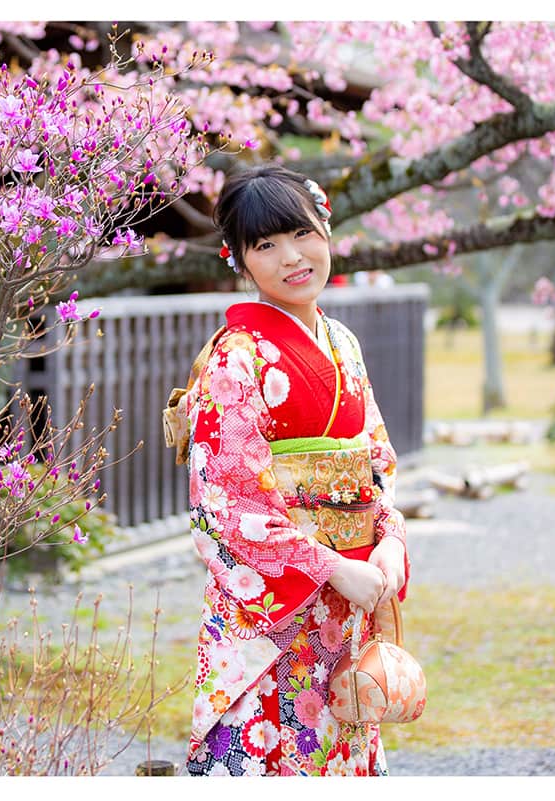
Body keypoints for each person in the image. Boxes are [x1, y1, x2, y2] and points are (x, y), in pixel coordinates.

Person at [182, 165, 409, 776]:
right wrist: (332, 567)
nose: (291, 257)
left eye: (301, 234)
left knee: (342, 744)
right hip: (279, 609)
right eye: (265, 245)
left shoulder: (344, 343)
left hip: (351, 598)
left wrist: (389, 538)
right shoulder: (235, 358)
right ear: (239, 259)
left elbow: (376, 462)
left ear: (325, 229)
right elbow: (228, 503)